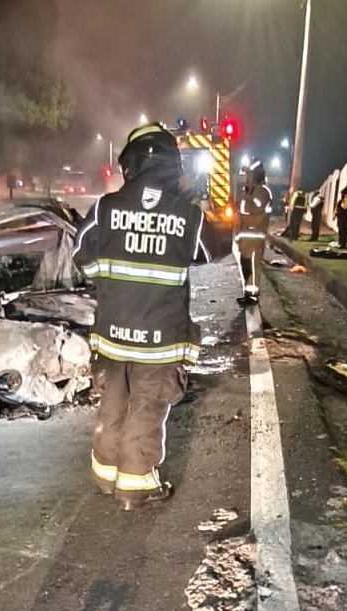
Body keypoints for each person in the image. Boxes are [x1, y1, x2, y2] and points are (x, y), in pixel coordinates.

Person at [72, 122, 225, 511]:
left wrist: (109, 282)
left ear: (132, 164)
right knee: (147, 407)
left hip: (113, 337)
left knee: (114, 403)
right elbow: (214, 251)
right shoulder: (187, 217)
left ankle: (105, 476)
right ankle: (135, 487)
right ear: (173, 165)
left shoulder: (106, 208)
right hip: (160, 341)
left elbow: (80, 252)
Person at [234, 159, 273, 306]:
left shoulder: (263, 191)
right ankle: (248, 293)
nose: (247, 178)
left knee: (254, 267)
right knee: (246, 268)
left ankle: (253, 295)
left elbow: (250, 208)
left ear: (256, 175)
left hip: (255, 238)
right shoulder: (250, 191)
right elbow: (241, 212)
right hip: (245, 238)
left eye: (249, 175)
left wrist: (246, 196)